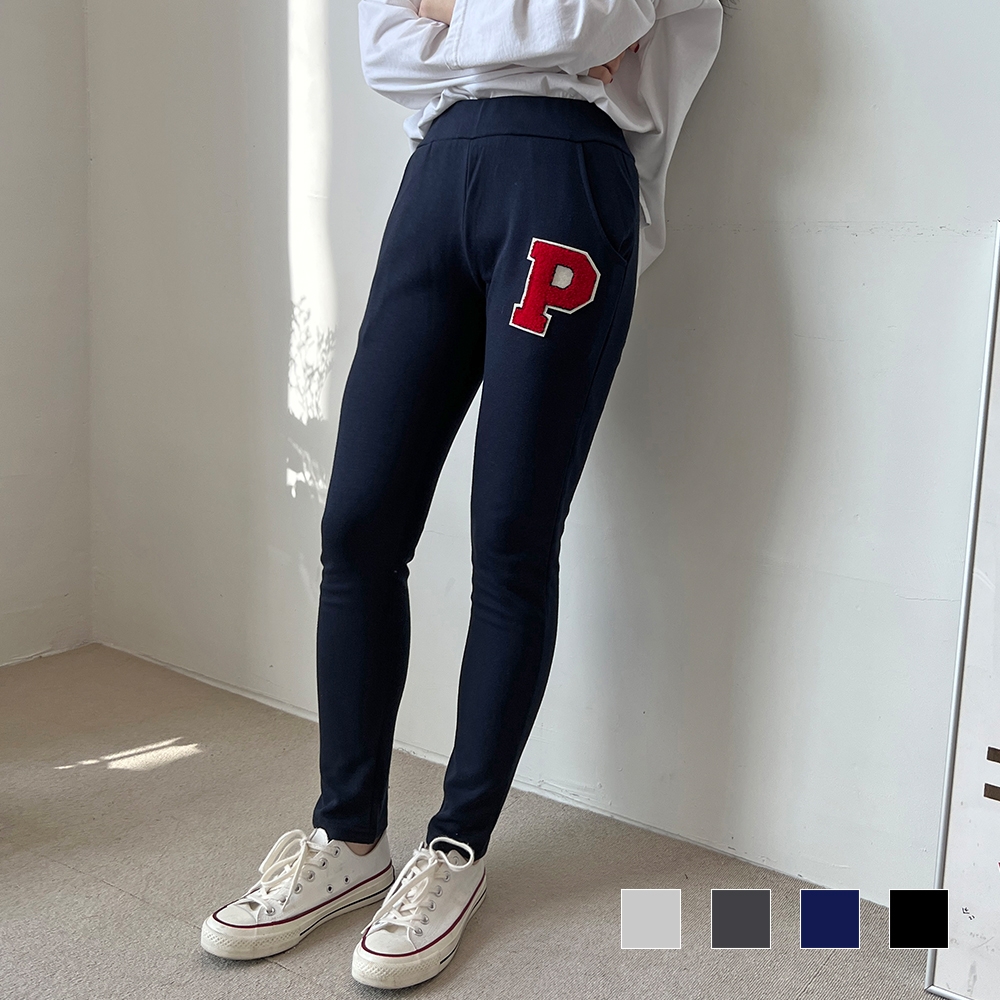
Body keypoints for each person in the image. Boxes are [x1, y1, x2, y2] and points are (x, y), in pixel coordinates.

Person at [201, 0, 723, 989]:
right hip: (437, 176)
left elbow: (584, 20)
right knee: (359, 522)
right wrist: (532, 33)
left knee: (511, 533)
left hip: (567, 175)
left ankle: (456, 846)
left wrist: (452, 13)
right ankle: (349, 838)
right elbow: (386, 50)